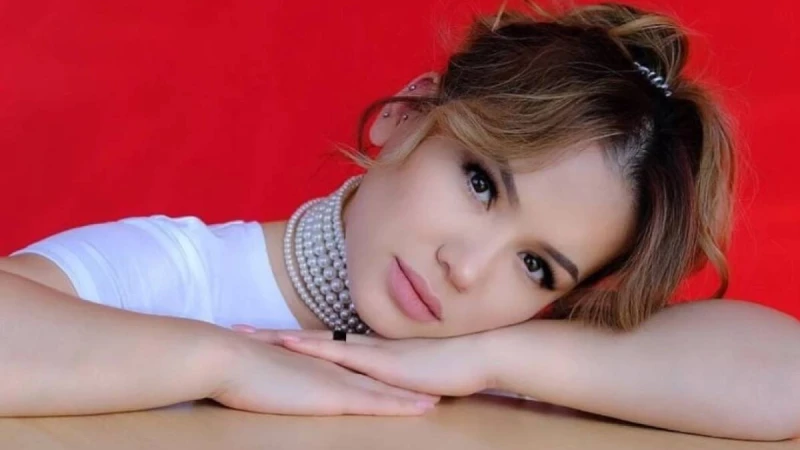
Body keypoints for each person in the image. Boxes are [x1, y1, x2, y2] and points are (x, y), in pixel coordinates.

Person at [0, 1, 797, 442]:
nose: (467, 268)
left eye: (536, 266)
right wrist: (227, 362)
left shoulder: (497, 358)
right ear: (407, 116)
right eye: (481, 183)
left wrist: (493, 356)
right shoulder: (177, 273)